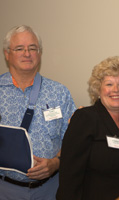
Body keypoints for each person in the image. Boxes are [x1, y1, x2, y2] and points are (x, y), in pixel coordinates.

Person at [0, 25, 76, 200]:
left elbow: (73, 140)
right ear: (7, 53)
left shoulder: (59, 92)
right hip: (5, 189)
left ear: (40, 53)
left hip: (49, 190)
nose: (27, 53)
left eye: (32, 48)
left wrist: (56, 163)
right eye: (19, 48)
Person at [56, 56, 119, 200]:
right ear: (98, 88)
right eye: (109, 84)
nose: (115, 90)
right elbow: (69, 176)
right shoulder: (85, 118)